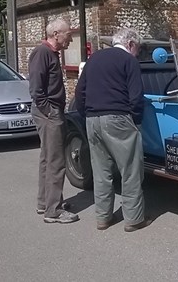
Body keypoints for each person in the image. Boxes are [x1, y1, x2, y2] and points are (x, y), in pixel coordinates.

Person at [75, 27, 151, 232]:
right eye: (138, 47)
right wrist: (136, 122)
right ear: (131, 44)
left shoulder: (94, 58)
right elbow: (136, 97)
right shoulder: (129, 61)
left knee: (101, 171)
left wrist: (86, 115)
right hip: (118, 117)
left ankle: (103, 218)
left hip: (92, 118)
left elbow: (80, 92)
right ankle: (134, 219)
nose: (138, 52)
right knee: (130, 170)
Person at [28, 18, 79, 224]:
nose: (70, 39)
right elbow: (36, 90)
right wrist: (51, 112)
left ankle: (45, 203)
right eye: (68, 34)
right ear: (56, 34)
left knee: (47, 158)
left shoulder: (50, 53)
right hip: (48, 113)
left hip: (48, 111)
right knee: (56, 161)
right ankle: (53, 210)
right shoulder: (42, 53)